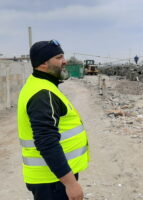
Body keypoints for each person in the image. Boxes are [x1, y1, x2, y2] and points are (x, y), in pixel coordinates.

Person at [17, 40, 89, 200]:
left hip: (53, 177)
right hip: (52, 180)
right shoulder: (43, 94)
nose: (65, 61)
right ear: (43, 63)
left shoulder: (39, 85)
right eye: (59, 57)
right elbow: (46, 142)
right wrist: (71, 184)